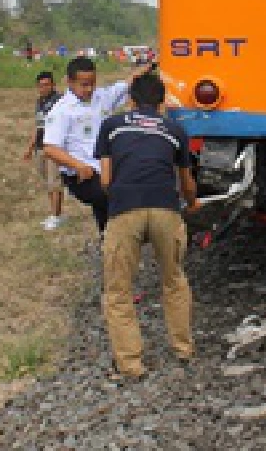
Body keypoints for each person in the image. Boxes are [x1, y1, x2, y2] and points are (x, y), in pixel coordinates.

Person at [94, 73, 199, 378]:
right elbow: (187, 183)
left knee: (118, 290)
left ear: (130, 99)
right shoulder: (175, 130)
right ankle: (183, 348)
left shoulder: (112, 126)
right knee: (174, 280)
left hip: (125, 208)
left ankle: (131, 364)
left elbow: (105, 179)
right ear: (162, 102)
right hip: (166, 209)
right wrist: (192, 204)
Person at [43, 57, 154, 234]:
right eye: (84, 84)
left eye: (92, 83)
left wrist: (147, 68)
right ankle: (121, 240)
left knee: (108, 210)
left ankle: (109, 243)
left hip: (106, 168)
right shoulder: (62, 110)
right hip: (84, 176)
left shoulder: (101, 96)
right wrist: (78, 166)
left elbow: (126, 84)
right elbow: (50, 148)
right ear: (69, 82)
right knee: (117, 200)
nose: (89, 89)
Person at [24, 71, 64, 230]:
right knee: (47, 180)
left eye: (47, 84)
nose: (43, 88)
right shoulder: (40, 102)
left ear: (53, 85)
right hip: (41, 147)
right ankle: (54, 213)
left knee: (55, 182)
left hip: (54, 146)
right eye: (40, 85)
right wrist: (30, 147)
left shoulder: (59, 101)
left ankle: (57, 216)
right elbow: (38, 126)